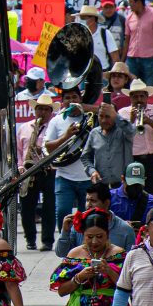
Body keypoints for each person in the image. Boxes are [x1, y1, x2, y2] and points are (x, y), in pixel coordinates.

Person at [44, 87, 93, 227]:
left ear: (80, 99)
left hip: (87, 177)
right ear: (62, 101)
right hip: (64, 176)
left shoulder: (90, 117)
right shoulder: (56, 121)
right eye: (67, 98)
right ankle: (66, 241)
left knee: (88, 216)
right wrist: (66, 136)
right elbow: (48, 146)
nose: (71, 101)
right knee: (62, 212)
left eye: (74, 97)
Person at [17, 93, 58, 251]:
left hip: (49, 169)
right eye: (39, 109)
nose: (42, 112)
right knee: (27, 206)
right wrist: (21, 166)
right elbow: (19, 151)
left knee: (49, 205)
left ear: (50, 112)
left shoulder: (53, 127)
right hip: (29, 169)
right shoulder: (25, 128)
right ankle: (30, 239)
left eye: (46, 109)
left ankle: (47, 241)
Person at [56, 181, 135, 256]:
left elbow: (130, 262)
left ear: (106, 203)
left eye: (93, 201)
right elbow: (62, 254)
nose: (88, 205)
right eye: (87, 200)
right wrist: (65, 232)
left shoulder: (125, 230)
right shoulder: (78, 223)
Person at [119, 78, 153, 198]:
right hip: (134, 159)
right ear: (130, 98)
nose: (139, 100)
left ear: (147, 97)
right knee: (134, 192)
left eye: (142, 96)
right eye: (135, 97)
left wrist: (150, 122)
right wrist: (131, 120)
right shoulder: (123, 113)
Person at [81, 102, 135, 188]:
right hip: (102, 186)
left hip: (123, 186)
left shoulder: (123, 131)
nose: (104, 120)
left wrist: (116, 115)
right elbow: (85, 157)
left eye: (108, 116)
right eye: (101, 116)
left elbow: (131, 130)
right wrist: (92, 171)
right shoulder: (94, 133)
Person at [121, 0, 153, 87]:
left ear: (139, 2)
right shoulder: (129, 17)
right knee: (132, 88)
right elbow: (127, 40)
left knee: (149, 88)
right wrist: (122, 61)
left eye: (131, 2)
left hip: (149, 59)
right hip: (132, 59)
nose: (130, 5)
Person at [109, 162, 153, 226]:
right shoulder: (109, 197)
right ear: (122, 179)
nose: (134, 188)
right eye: (131, 184)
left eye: (138, 184)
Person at [78, 5, 119, 71]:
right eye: (82, 18)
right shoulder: (77, 34)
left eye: (85, 17)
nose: (83, 20)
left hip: (102, 73)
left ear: (94, 18)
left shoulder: (105, 33)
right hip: (82, 73)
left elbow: (115, 57)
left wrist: (112, 74)